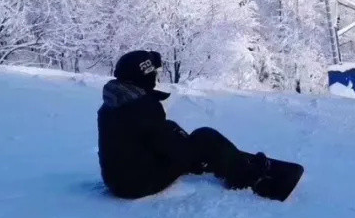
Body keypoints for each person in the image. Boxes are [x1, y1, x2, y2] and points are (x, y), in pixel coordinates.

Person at [98, 50, 276, 199]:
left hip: (116, 179)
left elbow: (146, 136)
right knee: (205, 136)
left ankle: (214, 158)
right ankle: (245, 176)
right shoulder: (144, 107)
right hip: (137, 185)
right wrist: (194, 154)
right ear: (143, 76)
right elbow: (170, 147)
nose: (156, 77)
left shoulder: (113, 103)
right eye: (153, 73)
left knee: (170, 127)